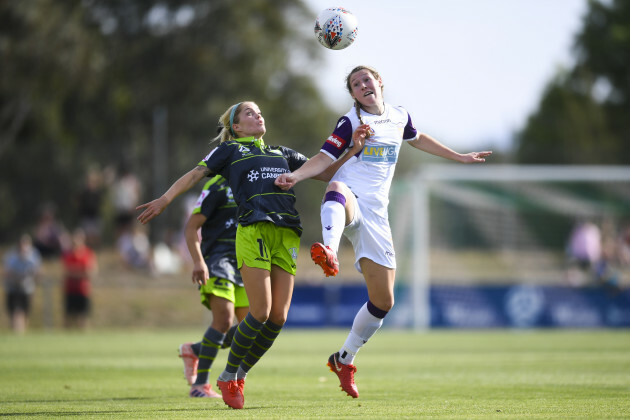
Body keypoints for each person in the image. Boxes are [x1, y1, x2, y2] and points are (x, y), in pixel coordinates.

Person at [274, 65, 492, 399]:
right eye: (355, 84)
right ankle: (329, 249)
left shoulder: (399, 116)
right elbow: (323, 158)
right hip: (348, 200)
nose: (362, 85)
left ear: (380, 83)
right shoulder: (349, 123)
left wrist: (458, 157)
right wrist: (297, 176)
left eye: (366, 80)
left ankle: (344, 359)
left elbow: (418, 139)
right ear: (353, 95)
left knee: (383, 301)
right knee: (336, 186)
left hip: (377, 216)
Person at [136, 101, 363, 409]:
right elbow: (193, 175)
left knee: (278, 318)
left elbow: (323, 171)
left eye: (259, 112)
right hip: (254, 230)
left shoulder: (282, 153)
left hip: (286, 233)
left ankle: (236, 375)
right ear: (237, 127)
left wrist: (352, 150)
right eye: (249, 113)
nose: (258, 115)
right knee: (259, 312)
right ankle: (227, 374)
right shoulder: (228, 152)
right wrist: (165, 199)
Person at [178, 174, 249, 399]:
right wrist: (198, 261)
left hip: (247, 260)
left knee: (253, 327)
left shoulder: (254, 181)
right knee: (224, 321)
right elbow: (191, 227)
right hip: (218, 259)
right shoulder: (217, 185)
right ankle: (200, 385)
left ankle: (196, 350)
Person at [3, 234, 42, 333]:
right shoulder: (12, 256)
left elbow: (38, 272)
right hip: (13, 287)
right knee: (14, 312)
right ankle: (16, 332)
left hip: (26, 288)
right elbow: (7, 271)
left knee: (25, 311)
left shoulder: (33, 256)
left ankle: (22, 332)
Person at [61, 228, 98, 329]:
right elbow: (67, 271)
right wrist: (81, 272)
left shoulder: (88, 253)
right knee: (68, 319)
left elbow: (91, 272)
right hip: (70, 289)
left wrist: (75, 272)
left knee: (83, 319)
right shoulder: (68, 254)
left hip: (83, 290)